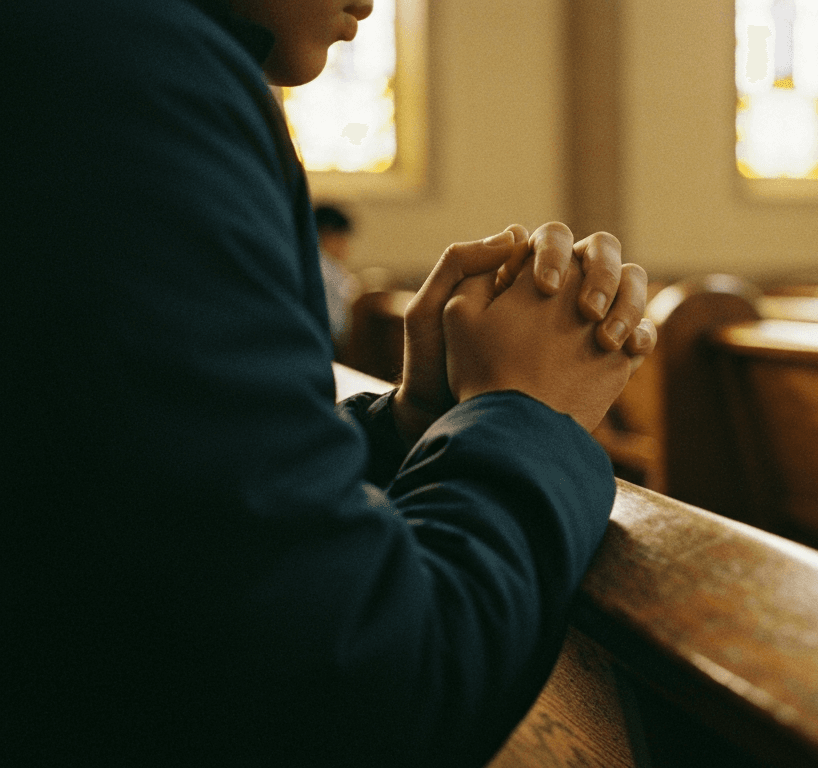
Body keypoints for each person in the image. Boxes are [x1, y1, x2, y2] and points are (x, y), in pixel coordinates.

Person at [2, 1, 656, 765]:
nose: (372, 1)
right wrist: (529, 413)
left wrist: (414, 425)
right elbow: (360, 689)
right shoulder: (124, 74)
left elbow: (123, 502)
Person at [313, 203, 362, 353]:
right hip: (329, 349)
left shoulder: (328, 266)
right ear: (327, 234)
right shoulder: (323, 269)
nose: (346, 246)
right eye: (342, 238)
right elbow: (338, 327)